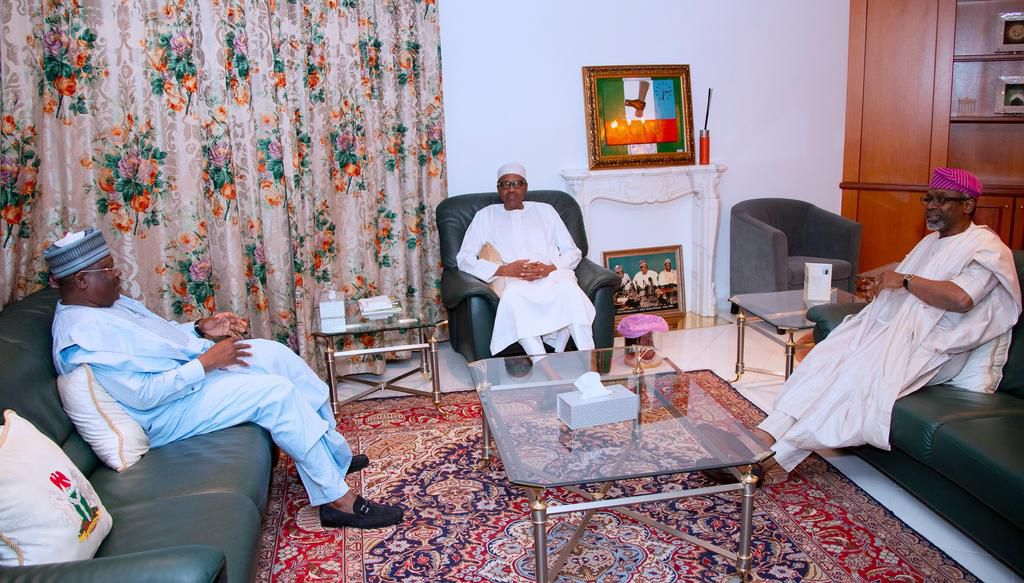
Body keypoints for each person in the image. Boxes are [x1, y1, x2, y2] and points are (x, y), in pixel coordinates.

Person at [45, 229, 404, 529]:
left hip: (186, 379)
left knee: (273, 354)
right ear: (81, 280)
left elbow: (156, 339)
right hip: (165, 413)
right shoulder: (82, 336)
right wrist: (205, 362)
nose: (117, 273)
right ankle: (336, 502)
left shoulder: (106, 305)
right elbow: (144, 395)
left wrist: (200, 328)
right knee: (274, 394)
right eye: (108, 268)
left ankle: (331, 456)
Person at [754, 168, 1021, 475]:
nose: (931, 206)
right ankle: (768, 432)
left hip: (940, 348)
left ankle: (775, 459)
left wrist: (904, 281)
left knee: (857, 373)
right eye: (928, 198)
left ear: (968, 204)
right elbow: (905, 293)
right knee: (828, 356)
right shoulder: (931, 241)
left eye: (941, 199)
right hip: (900, 334)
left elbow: (961, 300)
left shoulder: (986, 248)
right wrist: (882, 289)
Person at [456, 162, 596, 357]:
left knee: (571, 292)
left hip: (553, 278)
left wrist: (550, 268)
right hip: (515, 282)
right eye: (505, 185)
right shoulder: (485, 216)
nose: (511, 189)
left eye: (516, 183)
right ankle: (543, 364)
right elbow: (464, 259)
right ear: (498, 189)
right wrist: (505, 270)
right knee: (513, 299)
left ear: (525, 187)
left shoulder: (546, 210)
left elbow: (573, 251)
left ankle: (590, 361)